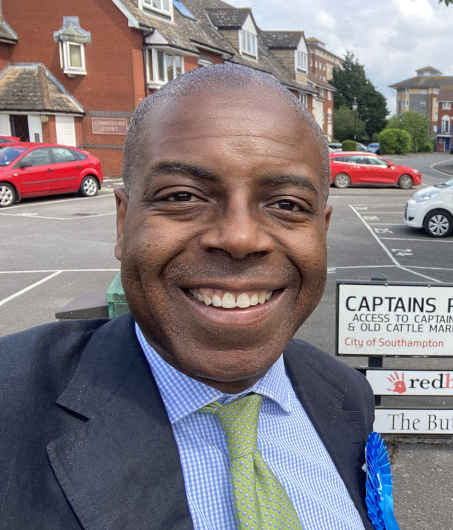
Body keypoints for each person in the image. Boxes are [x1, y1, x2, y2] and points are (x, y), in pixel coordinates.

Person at [0, 64, 375, 529]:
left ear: (322, 231)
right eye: (182, 196)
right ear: (123, 222)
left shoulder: (346, 394)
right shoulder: (9, 403)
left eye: (286, 205)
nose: (240, 238)